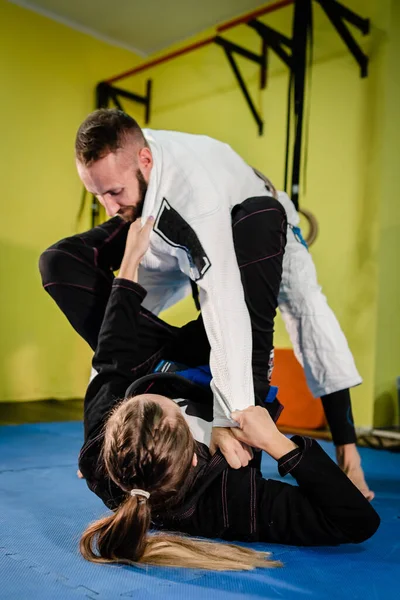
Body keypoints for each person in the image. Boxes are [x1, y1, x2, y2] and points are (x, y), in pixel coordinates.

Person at [49, 107, 372, 497]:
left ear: (145, 161)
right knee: (67, 267)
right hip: (168, 233)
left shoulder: (194, 195)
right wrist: (99, 434)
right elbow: (114, 336)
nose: (109, 208)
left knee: (310, 317)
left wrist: (225, 415)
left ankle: (349, 456)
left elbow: (224, 302)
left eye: (114, 192)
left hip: (261, 224)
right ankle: (167, 372)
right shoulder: (128, 153)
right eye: (97, 194)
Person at [39, 217, 379, 571]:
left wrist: (129, 265)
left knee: (57, 264)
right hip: (235, 374)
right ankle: (215, 242)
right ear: (194, 460)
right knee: (259, 219)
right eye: (172, 408)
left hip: (158, 361)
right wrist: (277, 443)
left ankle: (163, 219)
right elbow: (357, 521)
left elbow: (112, 361)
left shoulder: (99, 459)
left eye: (132, 404)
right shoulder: (230, 500)